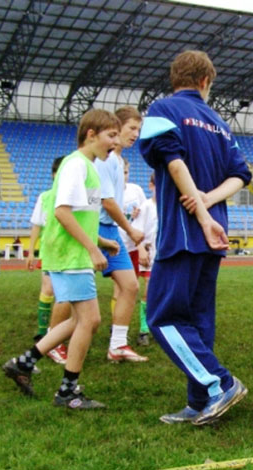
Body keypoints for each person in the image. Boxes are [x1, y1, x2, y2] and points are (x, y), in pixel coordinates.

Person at [139, 50, 252, 425]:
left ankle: (220, 385)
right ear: (206, 81)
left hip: (187, 232)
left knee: (162, 316)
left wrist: (201, 214)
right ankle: (200, 403)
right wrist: (210, 202)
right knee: (198, 319)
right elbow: (240, 176)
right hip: (215, 234)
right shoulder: (220, 123)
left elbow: (172, 161)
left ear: (177, 79)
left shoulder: (162, 109)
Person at [2, 109, 121, 409]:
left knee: (78, 320)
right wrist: (93, 250)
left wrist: (101, 241)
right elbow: (61, 212)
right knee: (90, 319)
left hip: (72, 253)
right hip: (70, 256)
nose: (116, 142)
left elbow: (77, 216)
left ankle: (24, 363)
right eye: (111, 135)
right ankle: (68, 392)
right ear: (91, 134)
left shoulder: (89, 168)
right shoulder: (76, 165)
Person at [95, 105, 147, 363]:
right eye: (132, 128)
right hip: (95, 228)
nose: (136, 134)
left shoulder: (116, 160)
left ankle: (117, 345)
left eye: (139, 129)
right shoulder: (105, 160)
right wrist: (130, 230)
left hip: (109, 229)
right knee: (73, 293)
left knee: (130, 286)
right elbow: (107, 202)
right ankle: (49, 340)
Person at [26, 156, 70, 364]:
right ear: (54, 175)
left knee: (63, 293)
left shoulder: (72, 196)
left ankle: (54, 332)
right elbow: (37, 225)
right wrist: (30, 251)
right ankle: (45, 332)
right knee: (49, 290)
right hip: (49, 250)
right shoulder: (45, 197)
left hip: (67, 252)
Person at [118, 158, 149, 345]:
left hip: (137, 246)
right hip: (119, 246)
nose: (124, 176)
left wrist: (142, 245)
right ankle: (119, 332)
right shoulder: (108, 192)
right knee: (121, 290)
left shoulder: (135, 190)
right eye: (121, 172)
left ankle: (142, 329)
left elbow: (144, 213)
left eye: (126, 172)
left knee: (142, 287)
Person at [133, 173, 157, 347]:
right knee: (149, 289)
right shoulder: (146, 206)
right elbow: (136, 231)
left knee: (163, 292)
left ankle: (160, 326)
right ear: (151, 186)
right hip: (150, 256)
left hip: (166, 256)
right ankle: (143, 329)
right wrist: (142, 248)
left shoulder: (170, 206)